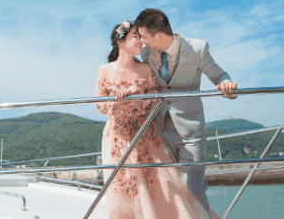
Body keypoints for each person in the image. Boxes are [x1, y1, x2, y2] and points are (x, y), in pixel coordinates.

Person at [94, 19, 220, 219]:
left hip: (146, 133)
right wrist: (117, 102)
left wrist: (136, 95)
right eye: (135, 36)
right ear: (120, 41)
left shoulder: (145, 68)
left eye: (140, 37)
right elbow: (100, 104)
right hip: (117, 136)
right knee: (122, 186)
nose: (140, 41)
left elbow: (154, 101)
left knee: (155, 186)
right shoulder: (105, 69)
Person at [134, 8, 236, 215]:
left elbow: (220, 75)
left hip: (191, 129)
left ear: (159, 35)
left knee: (194, 189)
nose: (141, 42)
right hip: (159, 130)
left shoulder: (198, 49)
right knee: (166, 189)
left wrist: (226, 83)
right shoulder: (146, 54)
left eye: (143, 36)